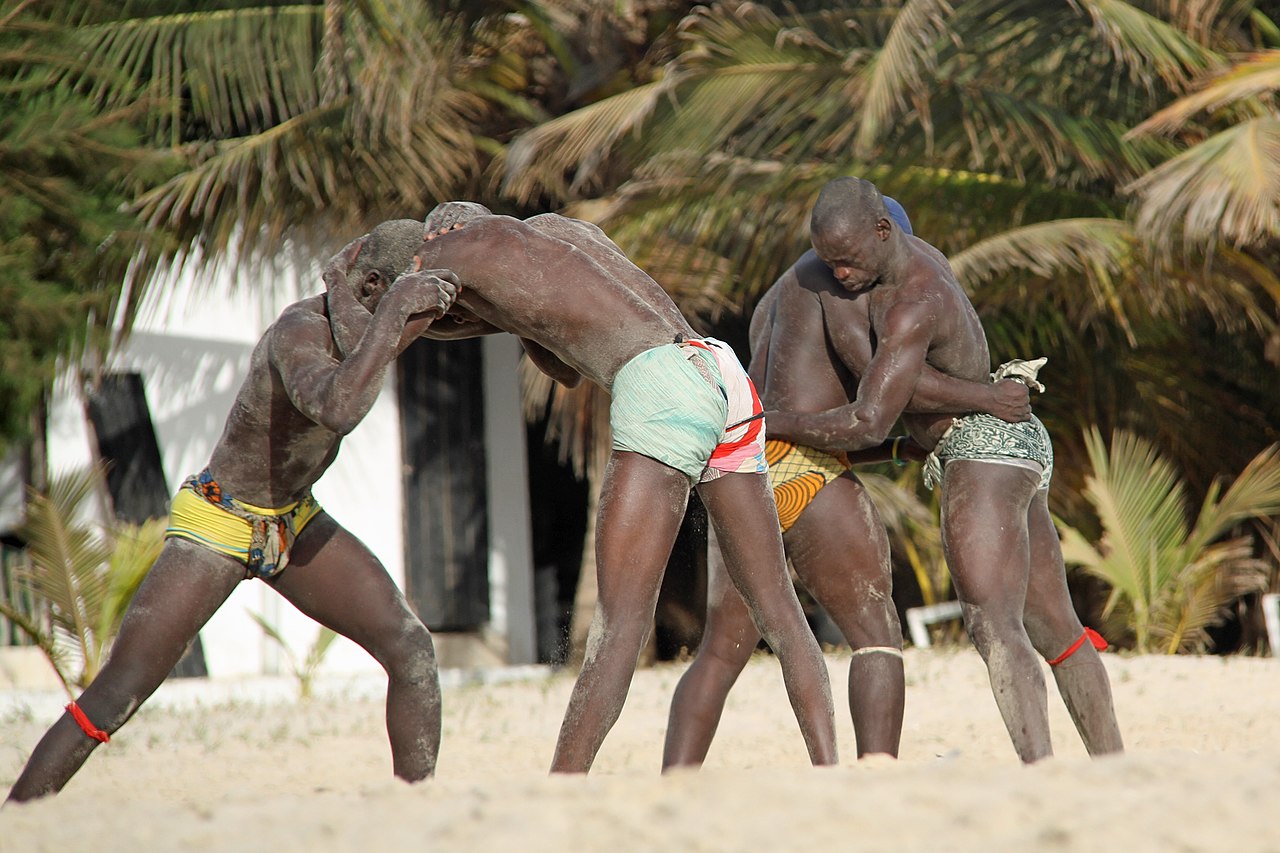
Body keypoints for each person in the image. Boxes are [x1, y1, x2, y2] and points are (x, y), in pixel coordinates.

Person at [7, 221, 457, 802]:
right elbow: (338, 407)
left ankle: (416, 813)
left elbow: (357, 270)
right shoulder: (300, 332)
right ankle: (17, 818)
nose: (418, 320)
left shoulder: (362, 309)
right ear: (374, 286)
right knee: (117, 693)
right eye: (401, 303)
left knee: (411, 649)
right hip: (220, 520)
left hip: (293, 520)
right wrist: (395, 311)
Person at [390, 202, 838, 773]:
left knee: (621, 623)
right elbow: (565, 360)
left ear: (453, 232)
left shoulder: (463, 248)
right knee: (778, 605)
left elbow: (555, 364)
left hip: (662, 384)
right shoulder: (562, 234)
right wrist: (507, 318)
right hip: (718, 369)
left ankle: (564, 784)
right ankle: (831, 770)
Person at [761, 177, 1123, 762]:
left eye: (847, 263)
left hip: (979, 452)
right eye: (830, 265)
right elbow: (895, 374)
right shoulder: (910, 263)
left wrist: (769, 423)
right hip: (1015, 444)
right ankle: (1112, 764)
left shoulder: (911, 303)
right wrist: (982, 396)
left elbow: (870, 420)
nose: (840, 276)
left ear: (884, 232)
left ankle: (1043, 770)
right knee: (1056, 625)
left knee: (993, 623)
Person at [663, 198, 1034, 767]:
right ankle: (874, 774)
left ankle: (675, 780)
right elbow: (876, 396)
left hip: (739, 462)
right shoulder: (845, 291)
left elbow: (804, 393)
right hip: (800, 462)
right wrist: (986, 396)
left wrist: (891, 449)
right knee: (875, 631)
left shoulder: (775, 301)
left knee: (721, 648)